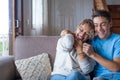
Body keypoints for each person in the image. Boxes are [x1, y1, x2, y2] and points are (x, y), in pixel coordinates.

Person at [82, 10, 120, 80]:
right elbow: (77, 37)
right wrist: (66, 33)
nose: (99, 29)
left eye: (103, 24)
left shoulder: (118, 40)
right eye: (96, 25)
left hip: (115, 77)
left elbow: (116, 67)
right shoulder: (91, 40)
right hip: (97, 78)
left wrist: (93, 54)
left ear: (110, 24)